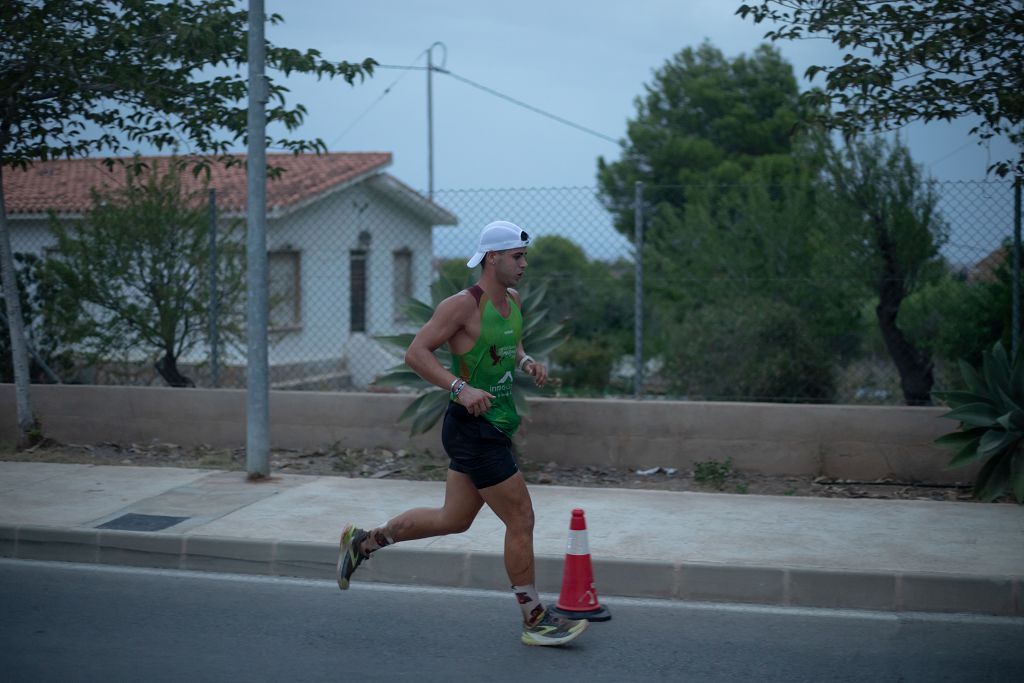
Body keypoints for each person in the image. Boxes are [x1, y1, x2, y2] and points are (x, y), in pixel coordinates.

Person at [336, 220, 587, 647]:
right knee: (521, 518)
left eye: (524, 256)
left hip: (494, 424)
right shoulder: (461, 306)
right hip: (474, 429)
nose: (524, 264)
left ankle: (363, 543)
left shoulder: (513, 301)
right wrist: (459, 387)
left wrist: (527, 363)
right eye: (517, 256)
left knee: (453, 519)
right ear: (493, 258)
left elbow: (510, 345)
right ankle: (534, 618)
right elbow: (416, 353)